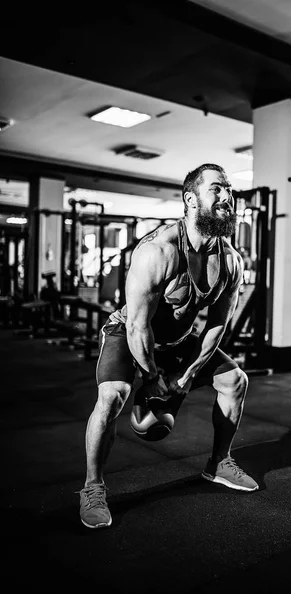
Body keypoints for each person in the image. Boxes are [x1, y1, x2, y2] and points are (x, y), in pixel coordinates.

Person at [79, 163, 259, 529]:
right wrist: (152, 379)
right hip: (129, 332)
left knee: (235, 380)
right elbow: (137, 324)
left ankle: (219, 463)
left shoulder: (230, 262)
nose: (227, 197)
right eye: (217, 189)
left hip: (177, 339)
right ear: (191, 200)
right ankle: (92, 487)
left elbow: (218, 323)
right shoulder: (158, 251)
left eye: (229, 190)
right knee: (113, 396)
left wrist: (189, 375)